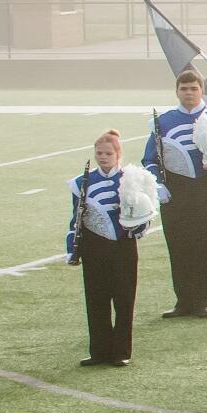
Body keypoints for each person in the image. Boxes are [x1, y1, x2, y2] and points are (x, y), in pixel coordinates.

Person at [144, 68, 207, 319]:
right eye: (184, 89)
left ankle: (203, 300)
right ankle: (183, 300)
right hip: (175, 190)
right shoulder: (163, 121)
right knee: (178, 244)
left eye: (194, 88)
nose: (189, 93)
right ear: (177, 91)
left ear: (202, 90)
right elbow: (150, 158)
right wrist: (158, 184)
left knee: (204, 244)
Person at [65, 129, 155, 367]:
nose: (103, 157)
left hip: (123, 247)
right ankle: (99, 352)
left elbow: (143, 216)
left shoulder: (130, 179)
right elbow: (75, 218)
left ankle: (121, 351)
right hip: (93, 247)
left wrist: (137, 227)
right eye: (99, 153)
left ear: (118, 154)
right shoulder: (81, 182)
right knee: (96, 300)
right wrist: (71, 249)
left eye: (107, 153)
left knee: (124, 300)